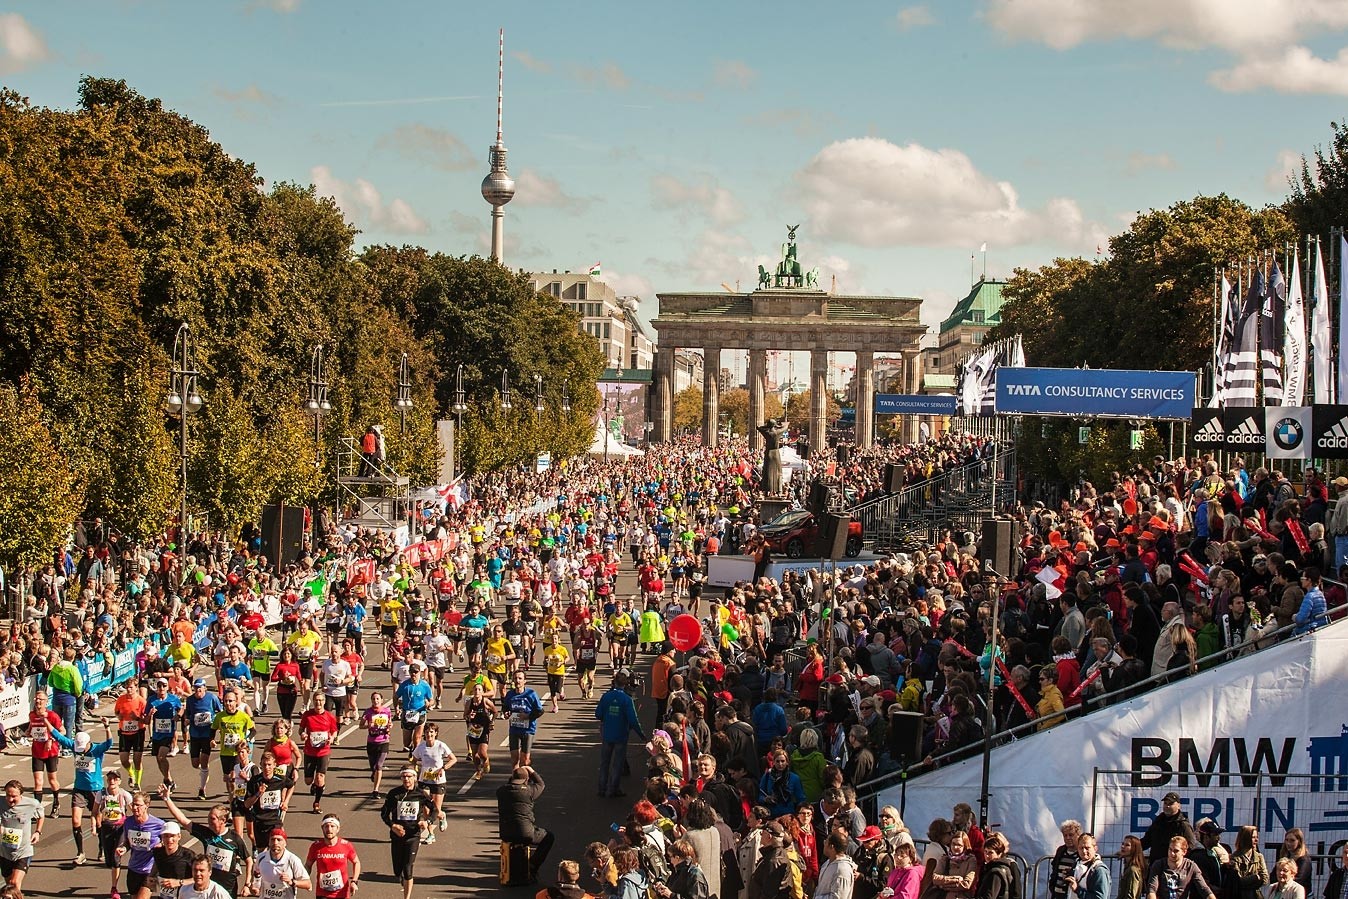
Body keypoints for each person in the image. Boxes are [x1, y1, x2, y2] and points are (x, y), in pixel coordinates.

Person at [158, 794, 251, 898]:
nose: (209, 821)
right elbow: (184, 821)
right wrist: (167, 799)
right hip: (207, 887)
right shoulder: (206, 834)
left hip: (228, 888)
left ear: (223, 820)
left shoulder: (235, 839)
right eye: (208, 817)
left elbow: (249, 860)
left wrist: (247, 884)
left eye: (212, 819)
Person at [52, 718, 114, 865]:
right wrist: (46, 722)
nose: (80, 751)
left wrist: (107, 727)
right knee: (75, 820)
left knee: (99, 821)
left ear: (88, 743)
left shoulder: (96, 749)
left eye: (83, 748)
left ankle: (102, 848)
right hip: (79, 789)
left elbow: (109, 743)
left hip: (95, 790)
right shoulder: (75, 746)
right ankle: (80, 853)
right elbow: (59, 737)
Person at [380, 768, 434, 899]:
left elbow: (435, 811)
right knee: (397, 870)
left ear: (415, 778)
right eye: (404, 777)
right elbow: (384, 814)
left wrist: (427, 822)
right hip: (397, 836)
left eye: (409, 776)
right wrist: (392, 825)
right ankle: (402, 879)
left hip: (413, 836)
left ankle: (407, 897)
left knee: (408, 867)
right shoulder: (394, 794)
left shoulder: (421, 794)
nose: (406, 779)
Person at [497, 766, 554, 885]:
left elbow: (509, 786)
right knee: (548, 837)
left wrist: (513, 776)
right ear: (526, 780)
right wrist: (530, 770)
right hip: (526, 833)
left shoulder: (501, 791)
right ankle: (533, 865)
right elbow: (541, 783)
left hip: (506, 833)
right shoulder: (529, 791)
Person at [595, 671, 645, 799]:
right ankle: (613, 789)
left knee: (605, 762)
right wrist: (642, 736)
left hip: (607, 734)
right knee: (617, 763)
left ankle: (602, 788)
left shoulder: (606, 696)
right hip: (621, 735)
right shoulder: (627, 700)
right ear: (625, 684)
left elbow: (598, 714)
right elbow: (633, 720)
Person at [118, 790, 167, 899]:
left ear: (146, 806)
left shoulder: (159, 825)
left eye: (138, 805)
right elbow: (128, 843)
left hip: (150, 871)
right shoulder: (128, 822)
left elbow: (169, 844)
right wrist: (123, 849)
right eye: (133, 804)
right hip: (133, 869)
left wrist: (161, 846)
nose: (135, 808)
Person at [244, 750, 297, 851]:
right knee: (262, 852)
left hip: (275, 821)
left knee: (277, 849)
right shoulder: (254, 781)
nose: (267, 768)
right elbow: (246, 804)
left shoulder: (280, 779)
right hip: (259, 821)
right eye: (264, 765)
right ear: (260, 765)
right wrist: (258, 794)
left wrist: (285, 801)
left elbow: (291, 786)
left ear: (274, 765)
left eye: (269, 765)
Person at [410, 723, 456, 835]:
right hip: (424, 780)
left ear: (435, 733)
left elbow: (453, 759)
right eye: (427, 732)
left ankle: (442, 816)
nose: (429, 734)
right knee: (426, 809)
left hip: (438, 781)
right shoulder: (421, 747)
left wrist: (443, 768)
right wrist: (415, 768)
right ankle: (431, 834)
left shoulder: (441, 746)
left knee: (436, 809)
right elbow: (413, 759)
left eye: (431, 732)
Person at [298, 692, 338, 814]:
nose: (318, 703)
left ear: (324, 702)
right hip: (310, 751)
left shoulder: (329, 716)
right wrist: (303, 734)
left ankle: (316, 803)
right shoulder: (307, 715)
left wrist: (332, 738)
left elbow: (334, 730)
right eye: (316, 700)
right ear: (313, 701)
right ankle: (315, 785)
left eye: (320, 700)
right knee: (308, 781)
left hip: (323, 752)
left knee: (320, 778)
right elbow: (301, 729)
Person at [0, 781, 43, 892]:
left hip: (23, 851)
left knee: (14, 883)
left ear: (21, 795)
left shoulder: (31, 804)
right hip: (5, 852)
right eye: (8, 795)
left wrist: (37, 832)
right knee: (9, 886)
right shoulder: (0, 802)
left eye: (14, 796)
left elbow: (40, 816)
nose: (10, 799)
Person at [184, 679, 224, 800]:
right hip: (195, 735)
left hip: (207, 735)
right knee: (195, 764)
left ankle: (202, 789)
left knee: (204, 761)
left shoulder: (212, 698)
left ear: (205, 688)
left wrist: (214, 720)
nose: (198, 690)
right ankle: (204, 771)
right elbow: (188, 713)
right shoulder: (190, 700)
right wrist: (187, 719)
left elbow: (220, 711)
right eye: (196, 688)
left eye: (200, 688)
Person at [28, 690, 65, 816]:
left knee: (52, 780)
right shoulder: (32, 715)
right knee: (38, 781)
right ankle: (37, 809)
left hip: (51, 752)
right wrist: (28, 733)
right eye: (36, 699)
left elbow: (63, 731)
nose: (38, 701)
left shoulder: (52, 716)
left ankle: (56, 802)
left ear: (46, 701)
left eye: (41, 699)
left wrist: (52, 739)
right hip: (37, 752)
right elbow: (30, 728)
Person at [96, 769, 133, 895]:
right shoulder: (101, 794)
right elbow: (95, 811)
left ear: (119, 781)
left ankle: (114, 888)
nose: (112, 781)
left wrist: (135, 825)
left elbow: (134, 811)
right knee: (109, 860)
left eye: (115, 779)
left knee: (116, 857)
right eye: (110, 778)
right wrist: (95, 824)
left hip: (120, 827)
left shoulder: (125, 795)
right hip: (106, 826)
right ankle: (112, 865)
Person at [305, 815, 361, 899]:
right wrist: (304, 879)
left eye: (332, 826)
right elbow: (308, 865)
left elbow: (356, 862)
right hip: (322, 893)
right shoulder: (316, 846)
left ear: (338, 829)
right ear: (322, 828)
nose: (329, 829)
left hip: (341, 893)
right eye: (326, 826)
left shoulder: (346, 845)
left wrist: (354, 881)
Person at [503, 670, 546, 770]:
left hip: (528, 730)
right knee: (514, 759)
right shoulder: (510, 694)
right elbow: (505, 707)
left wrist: (528, 716)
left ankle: (526, 779)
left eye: (520, 678)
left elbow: (540, 711)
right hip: (514, 729)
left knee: (525, 760)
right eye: (515, 678)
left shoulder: (531, 694)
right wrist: (506, 713)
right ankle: (515, 779)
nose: (517, 681)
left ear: (524, 681)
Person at [1145, 837, 1214, 899]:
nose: (1172, 853)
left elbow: (1204, 889)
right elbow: (1152, 889)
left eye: (1176, 851)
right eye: (1170, 849)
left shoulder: (1191, 866)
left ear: (1184, 852)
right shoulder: (1159, 864)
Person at [250, 828, 311, 899]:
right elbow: (256, 874)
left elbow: (308, 884)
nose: (275, 843)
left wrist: (292, 882)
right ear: (269, 842)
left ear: (285, 843)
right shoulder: (261, 858)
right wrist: (254, 887)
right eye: (273, 839)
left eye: (279, 840)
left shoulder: (292, 860)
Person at [1141, 794, 1196, 868]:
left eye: (1171, 804)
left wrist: (1177, 861)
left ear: (1178, 806)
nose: (1167, 806)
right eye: (1165, 803)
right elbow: (1146, 841)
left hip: (1174, 869)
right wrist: (1132, 849)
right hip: (1155, 866)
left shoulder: (1183, 825)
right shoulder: (1158, 822)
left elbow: (1191, 846)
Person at [358, 692, 394, 797]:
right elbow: (360, 726)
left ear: (382, 700)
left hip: (384, 741)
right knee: (373, 767)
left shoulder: (387, 711)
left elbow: (389, 723)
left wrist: (390, 725)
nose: (376, 701)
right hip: (371, 742)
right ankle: (374, 773)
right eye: (373, 699)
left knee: (379, 766)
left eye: (378, 699)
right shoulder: (367, 712)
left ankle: (375, 790)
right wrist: (368, 726)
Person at [147, 820, 195, 899]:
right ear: (162, 837)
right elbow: (156, 863)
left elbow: (200, 879)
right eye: (166, 836)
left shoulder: (188, 855)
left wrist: (179, 883)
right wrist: (151, 876)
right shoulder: (158, 852)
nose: (169, 840)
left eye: (172, 836)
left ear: (179, 836)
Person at [393, 663, 434, 752]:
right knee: (406, 743)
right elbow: (396, 697)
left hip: (420, 713)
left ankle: (416, 754)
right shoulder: (404, 685)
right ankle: (411, 747)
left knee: (417, 737)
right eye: (411, 672)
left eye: (416, 672)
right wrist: (396, 709)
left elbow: (431, 699)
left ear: (420, 672)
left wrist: (429, 704)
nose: (413, 674)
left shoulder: (424, 685)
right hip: (407, 713)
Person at [464, 680, 498, 780]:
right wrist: (469, 716)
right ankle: (478, 771)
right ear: (473, 691)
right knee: (475, 754)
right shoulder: (469, 703)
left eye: (479, 689)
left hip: (484, 729)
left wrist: (492, 722)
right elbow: (465, 715)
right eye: (475, 689)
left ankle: (486, 761)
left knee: (482, 753)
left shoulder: (486, 701)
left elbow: (495, 712)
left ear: (482, 692)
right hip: (473, 730)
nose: (477, 691)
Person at [759, 748, 807, 819]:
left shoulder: (794, 778)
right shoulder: (767, 776)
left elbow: (801, 799)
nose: (780, 764)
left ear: (787, 762)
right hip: (771, 815)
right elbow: (760, 796)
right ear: (773, 762)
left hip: (789, 816)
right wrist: (766, 799)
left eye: (782, 761)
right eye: (777, 761)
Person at [1226, 826, 1267, 899]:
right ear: (1245, 838)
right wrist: (1255, 877)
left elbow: (1265, 879)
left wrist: (1247, 882)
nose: (1256, 840)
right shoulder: (1234, 858)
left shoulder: (1259, 857)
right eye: (1253, 837)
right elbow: (1237, 882)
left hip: (1256, 896)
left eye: (1256, 837)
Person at [1067, 833, 1110, 899]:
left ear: (1095, 849)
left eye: (1087, 848)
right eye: (1081, 848)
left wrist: (1077, 889)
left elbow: (1100, 897)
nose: (1084, 851)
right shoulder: (1077, 863)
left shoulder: (1099, 870)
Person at [977, 833, 1019, 899]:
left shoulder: (999, 870)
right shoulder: (987, 866)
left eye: (990, 852)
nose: (987, 855)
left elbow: (1016, 892)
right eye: (985, 851)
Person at [815, 831, 856, 899]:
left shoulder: (842, 871)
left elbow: (839, 897)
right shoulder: (827, 863)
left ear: (832, 847)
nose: (824, 844)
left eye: (826, 842)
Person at [1049, 820, 1084, 899]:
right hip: (1057, 894)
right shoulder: (1061, 850)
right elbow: (1054, 870)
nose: (1068, 838)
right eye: (1065, 835)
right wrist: (1052, 886)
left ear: (1078, 835)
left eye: (1071, 835)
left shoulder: (1083, 852)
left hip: (1073, 893)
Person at [1275, 829, 1311, 896]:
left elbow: (1299, 879)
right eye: (1287, 840)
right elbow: (1273, 875)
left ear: (1299, 842)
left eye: (1292, 840)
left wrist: (1282, 882)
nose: (1288, 843)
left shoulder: (1304, 860)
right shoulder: (1285, 856)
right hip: (1283, 892)